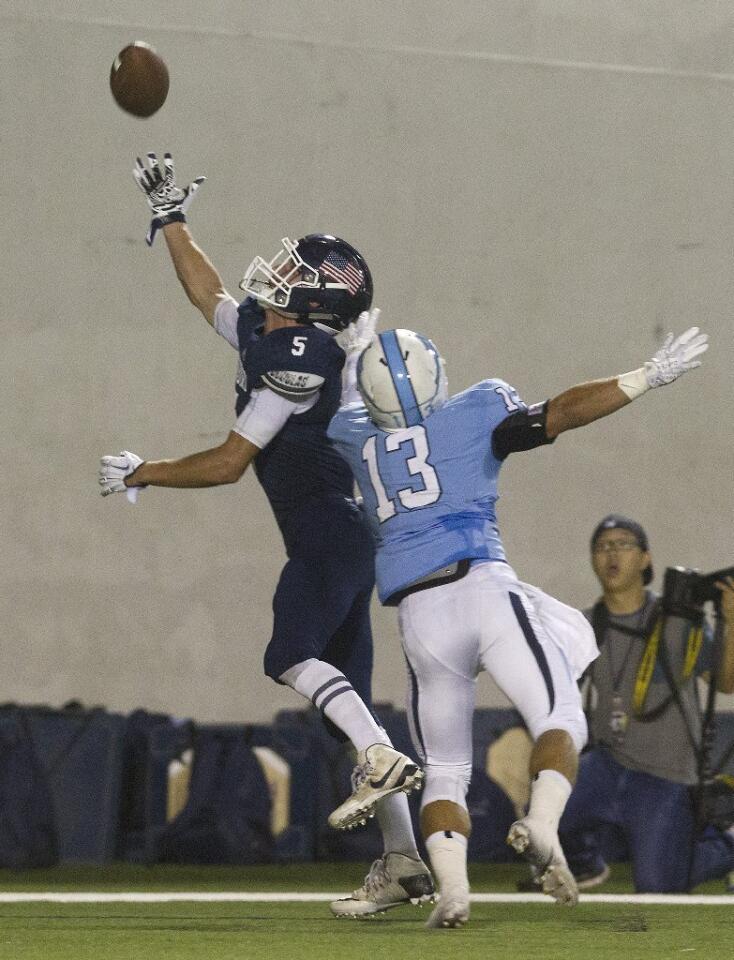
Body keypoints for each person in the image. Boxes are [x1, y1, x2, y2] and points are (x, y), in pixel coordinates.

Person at [98, 153, 434, 915]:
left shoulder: (306, 357)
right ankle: (406, 862)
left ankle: (380, 759)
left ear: (319, 303)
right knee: (355, 701)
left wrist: (143, 471)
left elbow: (226, 463)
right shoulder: (273, 329)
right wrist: (170, 218)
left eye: (291, 274)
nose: (272, 279)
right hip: (338, 539)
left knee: (289, 655)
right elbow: (209, 294)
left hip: (328, 536)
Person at [327, 321, 708, 927]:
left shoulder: (349, 435)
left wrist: (353, 361)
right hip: (482, 587)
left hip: (421, 618)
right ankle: (543, 822)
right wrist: (645, 378)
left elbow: (353, 405)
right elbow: (556, 415)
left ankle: (452, 890)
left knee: (446, 771)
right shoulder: (475, 408)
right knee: (559, 718)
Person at [554, 515, 734, 892]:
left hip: (664, 774)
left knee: (657, 889)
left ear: (646, 559)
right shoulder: (584, 625)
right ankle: (585, 865)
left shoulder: (678, 620)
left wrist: (732, 622)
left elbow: (727, 684)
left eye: (623, 544)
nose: (611, 553)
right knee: (544, 807)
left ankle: (726, 847)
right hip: (607, 762)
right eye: (602, 546)